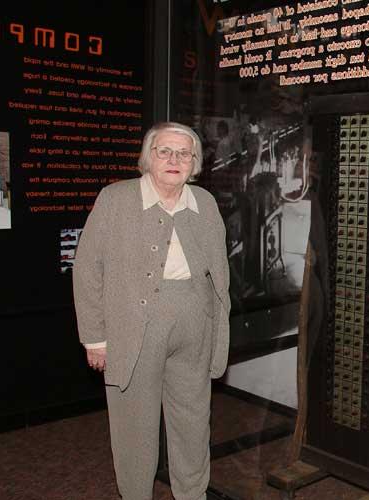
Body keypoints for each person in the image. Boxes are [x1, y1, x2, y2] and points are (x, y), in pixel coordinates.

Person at [73, 122, 231, 500]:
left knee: (193, 425)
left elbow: (219, 275)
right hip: (135, 331)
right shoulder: (115, 199)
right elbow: (87, 267)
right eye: (164, 151)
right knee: (135, 430)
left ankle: (193, 495)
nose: (174, 160)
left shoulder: (204, 203)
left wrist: (217, 332)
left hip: (194, 328)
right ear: (148, 157)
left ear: (194, 163)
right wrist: (96, 338)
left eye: (184, 153)